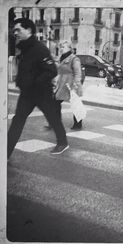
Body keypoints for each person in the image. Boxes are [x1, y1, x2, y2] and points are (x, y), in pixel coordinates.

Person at [8, 18, 69, 158]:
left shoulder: (40, 49)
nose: (15, 32)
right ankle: (5, 152)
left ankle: (63, 142)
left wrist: (35, 82)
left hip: (42, 93)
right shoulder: (24, 48)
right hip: (27, 94)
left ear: (28, 30)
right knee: (17, 121)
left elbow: (51, 70)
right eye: (14, 30)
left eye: (18, 29)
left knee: (53, 118)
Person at [53, 40, 84, 130]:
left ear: (69, 48)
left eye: (63, 47)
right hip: (62, 85)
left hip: (71, 85)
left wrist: (75, 86)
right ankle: (55, 122)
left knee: (75, 104)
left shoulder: (74, 59)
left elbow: (78, 74)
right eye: (60, 47)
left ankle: (78, 124)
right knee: (55, 102)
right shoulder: (60, 58)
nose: (61, 49)